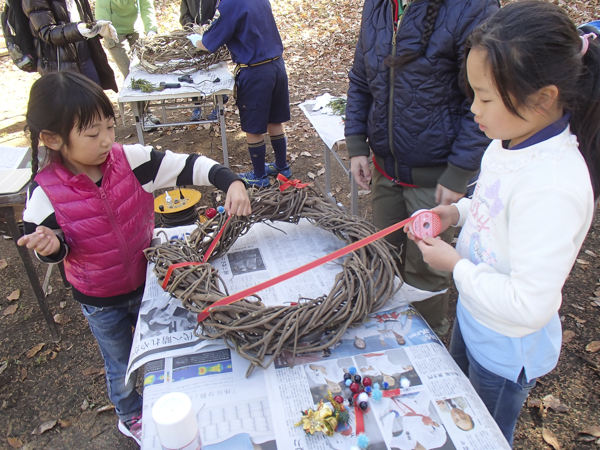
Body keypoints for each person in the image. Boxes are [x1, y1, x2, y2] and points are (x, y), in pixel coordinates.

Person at [17, 71, 251, 445]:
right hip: (99, 299)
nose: (107, 140)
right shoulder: (44, 193)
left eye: (110, 127)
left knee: (163, 347)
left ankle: (171, 399)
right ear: (53, 139)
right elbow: (50, 243)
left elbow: (186, 165)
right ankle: (130, 414)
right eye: (93, 134)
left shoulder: (131, 160)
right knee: (120, 361)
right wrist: (52, 247)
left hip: (146, 281)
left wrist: (231, 180)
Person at [408, 2, 600, 444]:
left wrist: (455, 266)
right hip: (475, 317)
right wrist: (456, 212)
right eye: (473, 93)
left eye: (486, 97)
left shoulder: (553, 186)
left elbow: (530, 304)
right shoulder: (510, 142)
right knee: (458, 411)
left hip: (505, 347)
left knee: (483, 435)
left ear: (544, 97)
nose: (473, 108)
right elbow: (492, 204)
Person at [344, 0, 499, 335]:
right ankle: (386, 332)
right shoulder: (379, 5)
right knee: (384, 257)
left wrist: (460, 169)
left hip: (437, 177)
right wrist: (357, 141)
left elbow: (482, 98)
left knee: (426, 270)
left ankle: (427, 339)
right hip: (386, 171)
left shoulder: (471, 7)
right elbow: (361, 77)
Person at [189, 0, 292, 187]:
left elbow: (210, 42)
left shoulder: (229, 4)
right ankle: (282, 167)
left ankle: (259, 176)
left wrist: (195, 40)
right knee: (275, 119)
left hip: (255, 71)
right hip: (277, 65)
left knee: (253, 126)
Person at [22, 0, 118, 91]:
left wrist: (97, 28)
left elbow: (83, 18)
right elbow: (47, 33)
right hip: (59, 64)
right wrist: (79, 30)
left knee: (96, 102)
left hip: (86, 56)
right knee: (73, 106)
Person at [96, 0, 160, 129]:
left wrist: (151, 30)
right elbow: (102, 9)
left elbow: (146, 6)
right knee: (130, 74)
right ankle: (141, 116)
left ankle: (147, 112)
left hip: (135, 30)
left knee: (142, 71)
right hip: (113, 31)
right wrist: (105, 28)